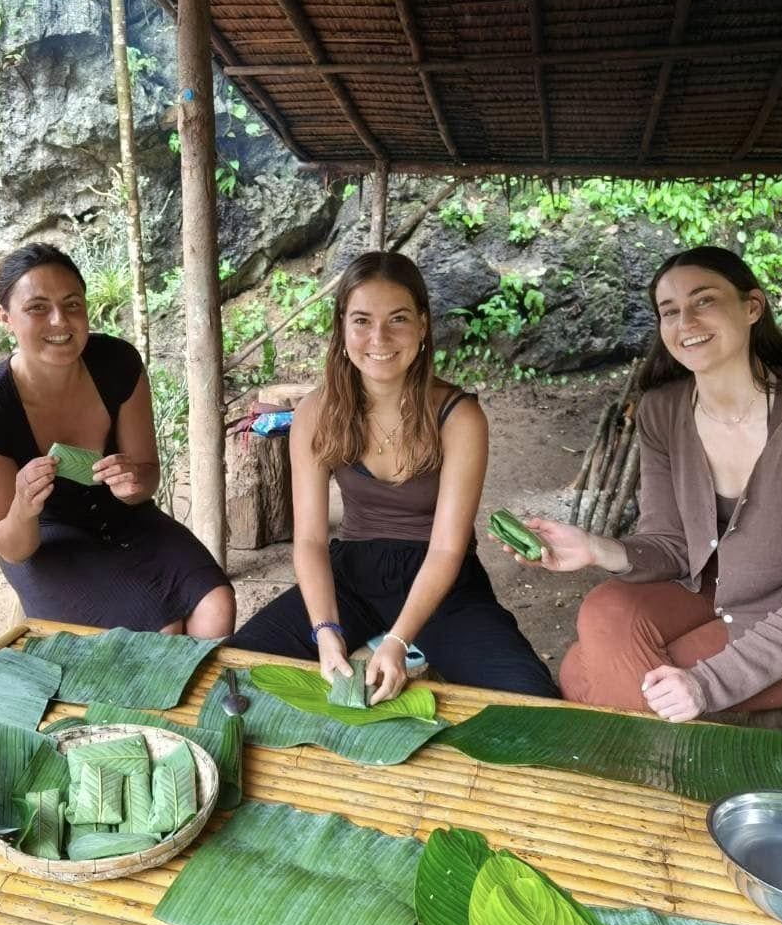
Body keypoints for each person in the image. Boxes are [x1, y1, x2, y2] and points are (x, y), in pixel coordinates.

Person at [497, 246, 782, 723]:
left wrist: (704, 685)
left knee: (579, 675)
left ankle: (652, 782)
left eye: (704, 301)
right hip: (707, 591)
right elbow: (671, 544)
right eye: (669, 311)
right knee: (605, 610)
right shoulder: (663, 412)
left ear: (752, 307)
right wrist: (594, 548)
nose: (686, 322)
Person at [229, 251, 558, 701]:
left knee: (529, 695)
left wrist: (398, 642)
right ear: (342, 326)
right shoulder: (316, 413)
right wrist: (325, 631)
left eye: (398, 319)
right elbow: (308, 540)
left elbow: (447, 546)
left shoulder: (459, 418)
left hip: (444, 582)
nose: (379, 337)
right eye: (362, 320)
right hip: (355, 574)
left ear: (423, 325)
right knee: (238, 668)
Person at [0, 243, 234, 636]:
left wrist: (132, 483)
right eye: (37, 307)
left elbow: (146, 478)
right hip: (44, 539)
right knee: (160, 633)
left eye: (72, 304)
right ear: (6, 317)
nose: (60, 321)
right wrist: (23, 505)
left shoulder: (117, 363)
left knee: (217, 606)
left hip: (125, 517)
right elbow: (10, 545)